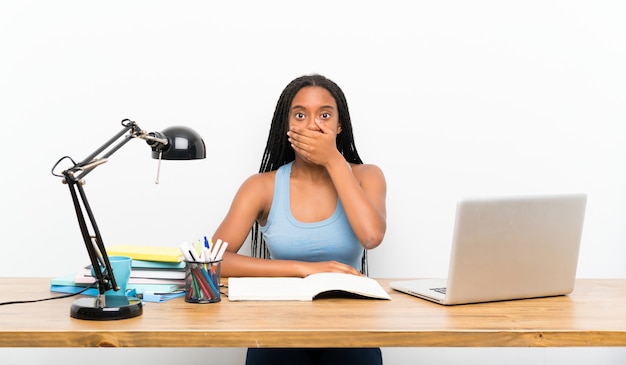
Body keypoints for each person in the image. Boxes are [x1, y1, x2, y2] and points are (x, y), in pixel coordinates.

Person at [212, 74, 387, 365]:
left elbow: (371, 236)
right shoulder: (261, 187)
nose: (313, 125)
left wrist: (333, 160)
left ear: (339, 126)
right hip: (278, 327)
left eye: (325, 115)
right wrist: (304, 269)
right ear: (287, 126)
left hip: (351, 328)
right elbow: (214, 262)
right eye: (300, 115)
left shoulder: (367, 176)